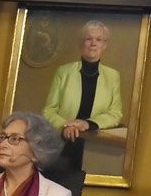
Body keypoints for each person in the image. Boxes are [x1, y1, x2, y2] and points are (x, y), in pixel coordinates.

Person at [42, 20, 123, 172]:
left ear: (104, 46)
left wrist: (87, 124)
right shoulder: (63, 71)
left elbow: (116, 113)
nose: (93, 43)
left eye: (99, 40)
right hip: (61, 143)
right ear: (81, 43)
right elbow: (48, 111)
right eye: (88, 39)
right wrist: (66, 125)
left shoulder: (113, 76)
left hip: (94, 147)